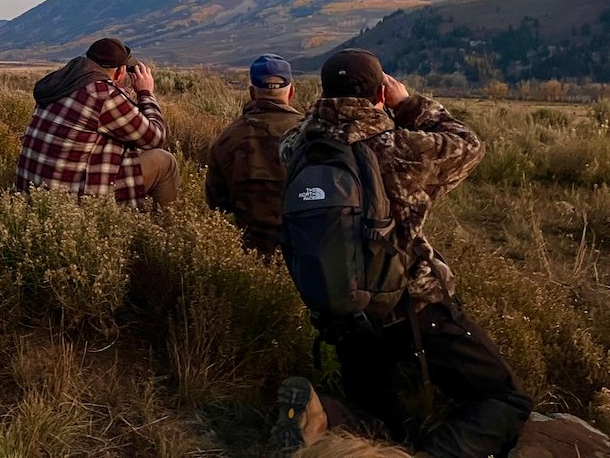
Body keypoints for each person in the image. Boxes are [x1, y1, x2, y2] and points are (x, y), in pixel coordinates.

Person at [275, 49, 531, 458]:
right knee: (503, 397)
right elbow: (469, 144)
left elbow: (303, 128)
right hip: (412, 308)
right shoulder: (400, 146)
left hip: (345, 311)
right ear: (380, 92)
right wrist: (407, 104)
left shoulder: (299, 146)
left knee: (384, 415)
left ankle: (324, 416)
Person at [14, 37, 178, 209]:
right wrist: (145, 93)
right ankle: (164, 227)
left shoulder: (61, 85)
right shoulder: (103, 94)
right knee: (164, 162)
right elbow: (155, 137)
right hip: (73, 203)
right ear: (120, 72)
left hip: (29, 194)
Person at [205, 53, 303, 254]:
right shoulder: (311, 134)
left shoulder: (227, 138)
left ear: (251, 92)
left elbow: (216, 206)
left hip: (248, 254)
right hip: (305, 252)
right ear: (291, 92)